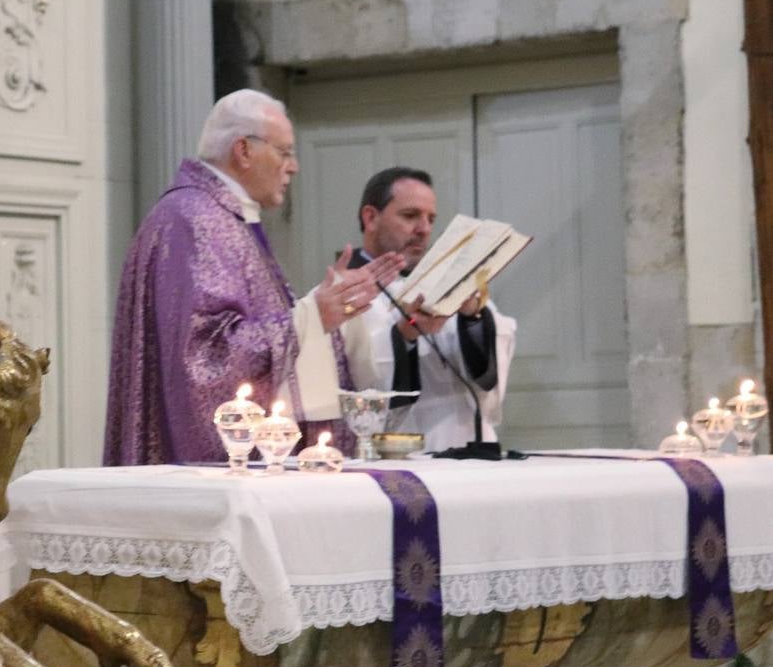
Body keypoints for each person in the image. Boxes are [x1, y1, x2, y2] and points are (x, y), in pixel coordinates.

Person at [104, 89, 403, 466]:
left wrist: (323, 313)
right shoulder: (195, 219)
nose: (293, 166)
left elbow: (243, 333)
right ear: (244, 150)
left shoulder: (220, 216)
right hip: (203, 474)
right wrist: (311, 317)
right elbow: (204, 360)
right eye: (285, 152)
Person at [347, 167, 517, 452]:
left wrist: (472, 317)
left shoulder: (447, 281)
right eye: (410, 215)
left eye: (430, 219)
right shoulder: (341, 293)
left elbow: (490, 373)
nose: (424, 229)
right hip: (403, 451)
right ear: (371, 217)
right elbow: (351, 381)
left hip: (472, 443)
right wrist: (404, 338)